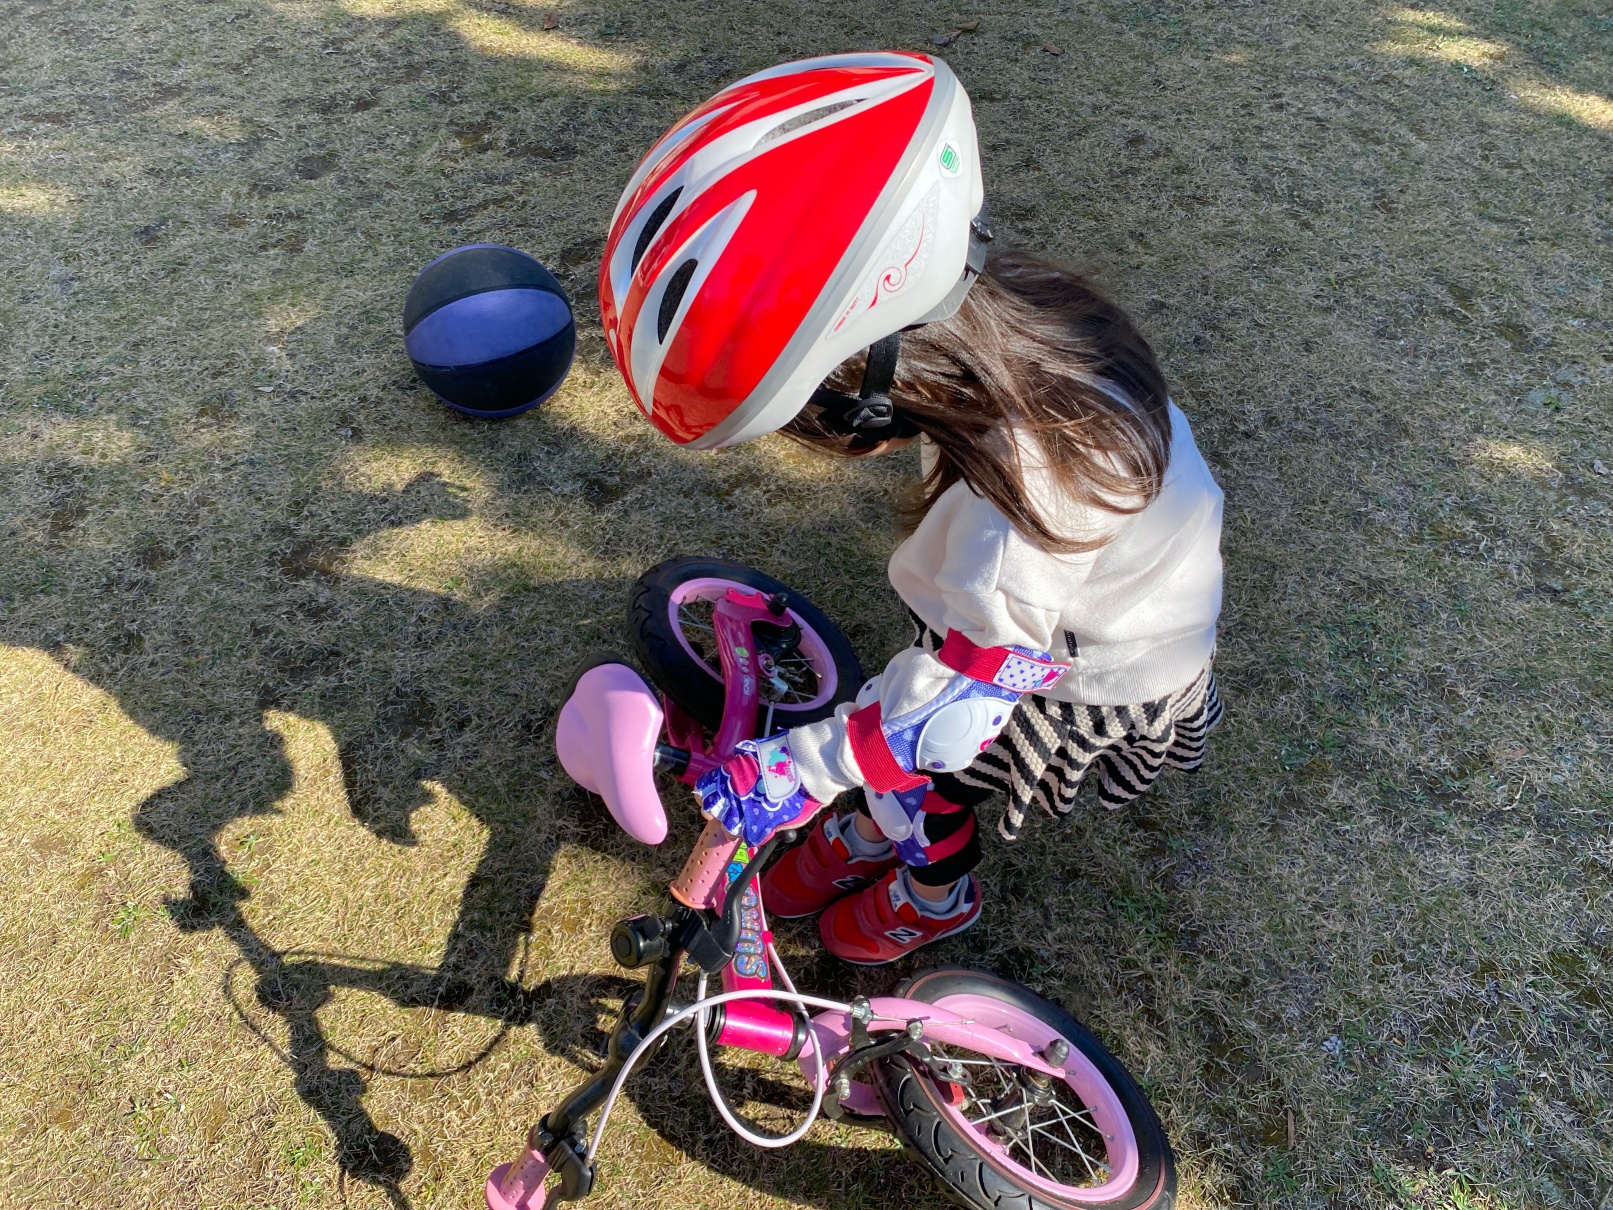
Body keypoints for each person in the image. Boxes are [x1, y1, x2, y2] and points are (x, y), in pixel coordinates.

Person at [598, 51, 1223, 965]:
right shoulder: (1009, 331)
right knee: (894, 756)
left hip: (1089, 669)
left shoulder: (1021, 514)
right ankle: (879, 833)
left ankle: (934, 892)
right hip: (1081, 602)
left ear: (874, 385)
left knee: (932, 775)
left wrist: (800, 769)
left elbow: (953, 715)